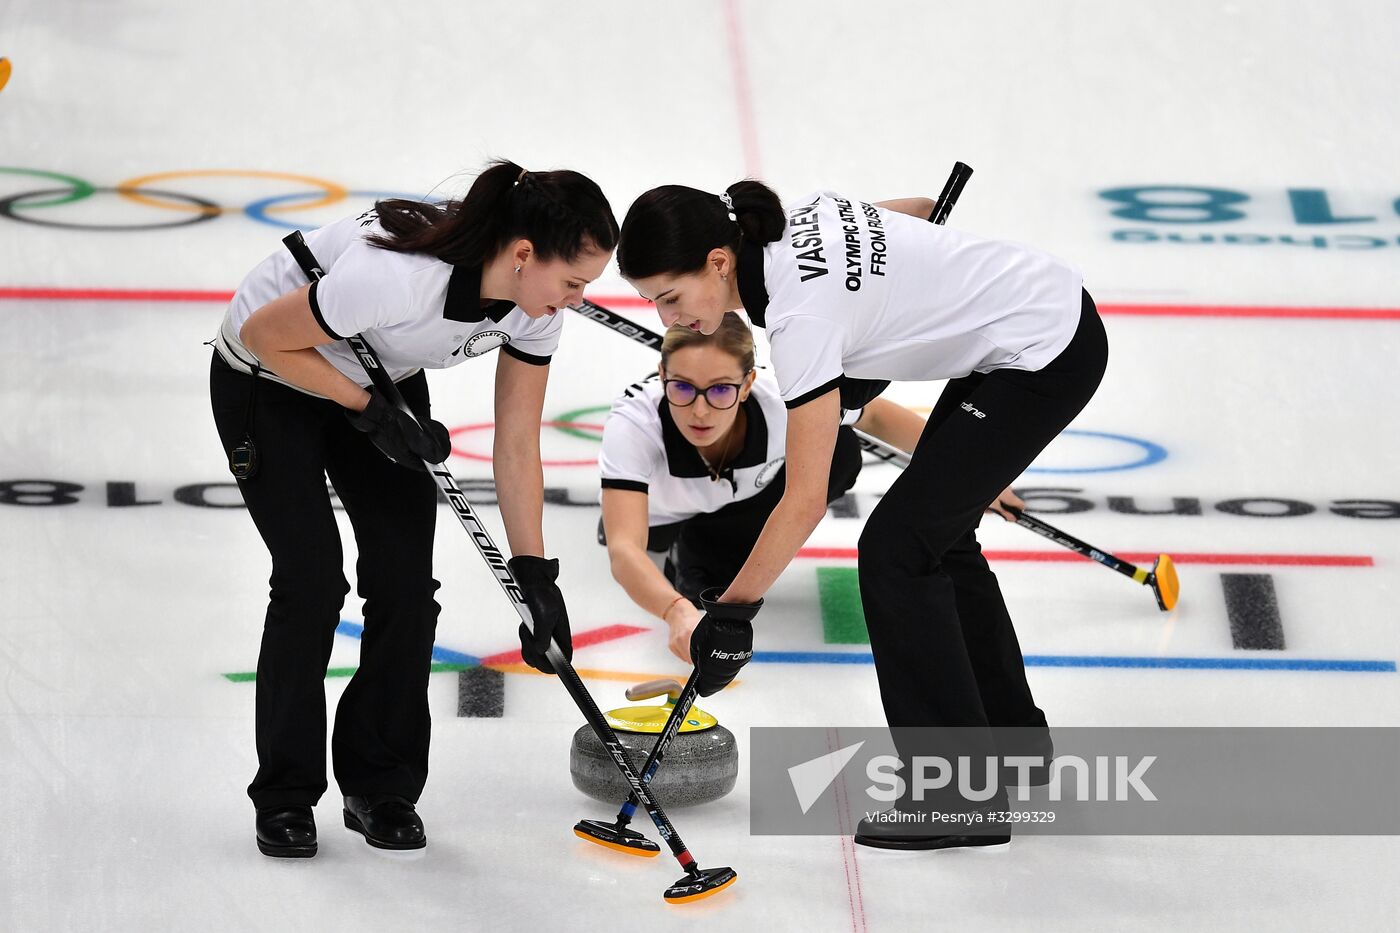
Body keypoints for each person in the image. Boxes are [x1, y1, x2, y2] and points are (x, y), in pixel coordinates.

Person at [615, 181, 1106, 850]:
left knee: (897, 548)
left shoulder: (799, 320)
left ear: (720, 262)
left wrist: (732, 611)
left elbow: (806, 495)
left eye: (670, 297)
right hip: (1035, 315)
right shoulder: (799, 215)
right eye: (654, 303)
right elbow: (916, 213)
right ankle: (1011, 741)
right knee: (938, 536)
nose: (670, 318)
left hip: (1045, 352)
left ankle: (956, 794)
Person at [209, 160, 617, 859]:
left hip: (378, 381)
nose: (577, 300)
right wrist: (366, 409)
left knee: (405, 584)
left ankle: (381, 783)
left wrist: (534, 574)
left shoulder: (533, 309)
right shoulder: (398, 278)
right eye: (573, 282)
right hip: (271, 378)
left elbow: (516, 442)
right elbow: (261, 335)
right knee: (311, 580)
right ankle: (285, 791)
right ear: (523, 255)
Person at [598, 314, 929, 662]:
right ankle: (687, 549)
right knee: (698, 596)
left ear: (747, 384)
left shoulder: (781, 402)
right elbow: (625, 548)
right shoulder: (635, 422)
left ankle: (706, 548)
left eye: (721, 389)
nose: (700, 411)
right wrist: (675, 611)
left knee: (839, 449)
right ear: (662, 374)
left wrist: (974, 474)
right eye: (682, 387)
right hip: (663, 513)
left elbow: (874, 416)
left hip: (740, 503)